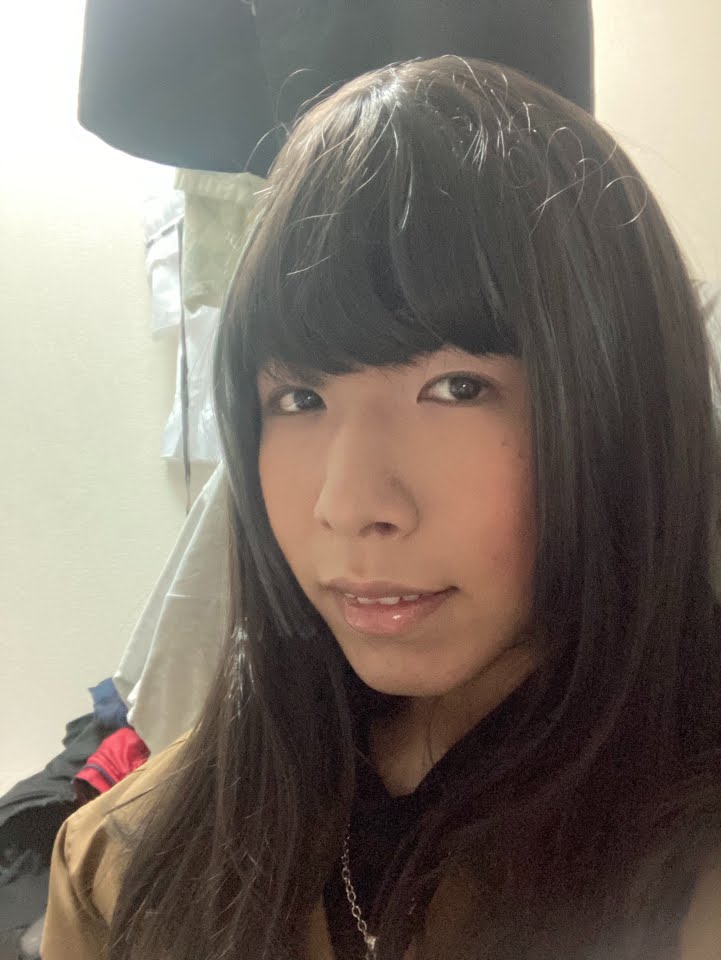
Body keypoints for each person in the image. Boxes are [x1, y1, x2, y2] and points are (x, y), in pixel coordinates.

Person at [42, 56, 721, 960]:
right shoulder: (121, 862)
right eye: (297, 398)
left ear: (621, 408)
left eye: (456, 387)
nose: (349, 504)